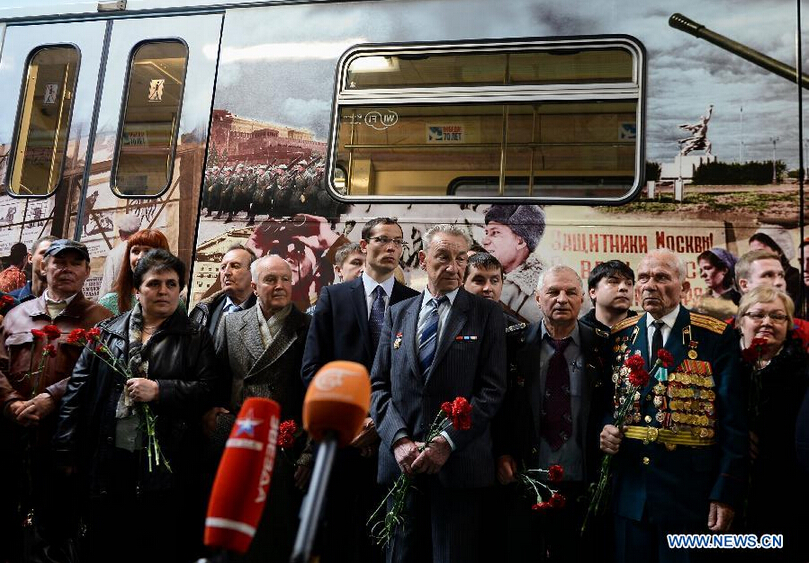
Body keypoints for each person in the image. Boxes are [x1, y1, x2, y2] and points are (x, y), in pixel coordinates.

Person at [53, 249, 220, 563]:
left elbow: (208, 391)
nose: (164, 291)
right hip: (108, 454)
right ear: (137, 289)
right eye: (154, 283)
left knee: (154, 543)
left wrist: (160, 390)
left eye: (172, 284)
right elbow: (76, 393)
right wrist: (66, 449)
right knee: (105, 540)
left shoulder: (196, 338)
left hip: (166, 461)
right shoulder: (107, 333)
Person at [599, 248, 747, 563]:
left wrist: (725, 492)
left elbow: (733, 421)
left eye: (662, 277)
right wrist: (607, 428)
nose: (650, 285)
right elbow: (609, 402)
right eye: (644, 277)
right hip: (632, 494)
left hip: (690, 496)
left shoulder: (714, 337)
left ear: (683, 286)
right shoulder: (620, 337)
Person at [370, 224, 506, 563]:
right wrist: (399, 441)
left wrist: (446, 442)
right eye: (443, 257)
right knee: (399, 554)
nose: (453, 267)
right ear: (422, 259)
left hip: (458, 467)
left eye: (461, 259)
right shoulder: (399, 312)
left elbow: (491, 390)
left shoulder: (486, 314)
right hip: (403, 465)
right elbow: (379, 386)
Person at [301, 217, 418, 563]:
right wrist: (352, 421)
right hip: (342, 437)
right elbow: (313, 369)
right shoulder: (334, 297)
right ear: (364, 246)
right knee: (338, 532)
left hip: (391, 438)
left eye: (399, 242)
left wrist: (380, 423)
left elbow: (412, 378)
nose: (392, 247)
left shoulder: (413, 302)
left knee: (385, 534)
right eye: (384, 239)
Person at [0, 239, 112, 561]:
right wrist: (10, 403)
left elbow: (100, 373)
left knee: (57, 527)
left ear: (87, 271)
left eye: (76, 263)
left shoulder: (100, 319)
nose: (66, 269)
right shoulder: (17, 316)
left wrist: (53, 397)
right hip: (15, 435)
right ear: (43, 267)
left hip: (67, 440)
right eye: (58, 262)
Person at [494, 265, 610, 562]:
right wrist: (502, 451)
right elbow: (500, 407)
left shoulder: (603, 346)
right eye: (553, 292)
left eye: (571, 292)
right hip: (525, 478)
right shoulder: (513, 344)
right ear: (537, 298)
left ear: (583, 297)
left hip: (583, 478)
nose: (562, 298)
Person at [215, 255, 313, 563]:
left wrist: (309, 451)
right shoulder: (231, 323)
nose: (280, 286)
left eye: (285, 279)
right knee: (236, 531)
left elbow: (315, 394)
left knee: (277, 533)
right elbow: (215, 376)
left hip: (287, 444)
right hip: (240, 439)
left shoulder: (308, 326)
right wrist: (214, 419)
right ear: (255, 287)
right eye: (271, 280)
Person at [735, 287, 808, 562]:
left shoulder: (802, 371)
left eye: (778, 317)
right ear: (741, 320)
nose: (767, 322)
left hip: (785, 491)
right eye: (758, 314)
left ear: (788, 326)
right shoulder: (723, 367)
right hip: (729, 489)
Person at [482, 204, 546, 323]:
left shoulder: (543, 288)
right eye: (486, 233)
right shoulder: (478, 276)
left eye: (495, 233)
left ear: (520, 241)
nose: (484, 241)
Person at [736, 250, 809, 349]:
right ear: (744, 285)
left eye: (781, 275)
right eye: (768, 275)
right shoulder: (721, 333)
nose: (779, 282)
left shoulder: (805, 331)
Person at [97, 229, 172, 315]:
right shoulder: (109, 302)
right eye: (135, 251)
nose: (140, 257)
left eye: (147, 251)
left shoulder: (173, 300)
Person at [189, 244, 258, 336]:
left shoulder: (267, 311)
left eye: (235, 266)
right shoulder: (202, 311)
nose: (226, 272)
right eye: (223, 267)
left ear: (253, 272)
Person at [748, 231, 802, 312]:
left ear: (779, 252)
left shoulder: (796, 279)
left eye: (761, 252)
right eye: (752, 253)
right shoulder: (753, 279)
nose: (756, 257)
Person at [463, 251, 520, 326]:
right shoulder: (446, 315)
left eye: (494, 281)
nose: (488, 288)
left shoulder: (515, 331)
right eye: (479, 281)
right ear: (463, 283)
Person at [581, 260, 637, 334]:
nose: (623, 287)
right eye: (613, 282)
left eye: (629, 283)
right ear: (593, 292)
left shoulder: (644, 328)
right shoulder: (579, 331)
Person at [97, 214, 141, 297]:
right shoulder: (147, 251)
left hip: (120, 301)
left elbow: (107, 286)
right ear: (138, 231)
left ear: (120, 233)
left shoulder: (114, 254)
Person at [9, 236, 56, 303]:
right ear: (30, 258)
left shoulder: (69, 304)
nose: (50, 259)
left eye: (56, 256)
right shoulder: (11, 302)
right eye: (45, 253)